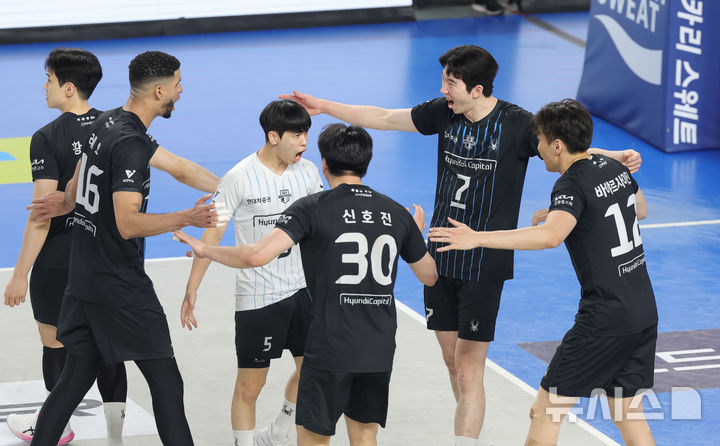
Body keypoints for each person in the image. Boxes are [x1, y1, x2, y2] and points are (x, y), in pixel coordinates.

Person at [279, 44, 642, 446]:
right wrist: (324, 106)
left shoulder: (517, 124)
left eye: (451, 83)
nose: (443, 90)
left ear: (478, 89)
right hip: (441, 256)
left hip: (485, 262)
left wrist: (613, 155)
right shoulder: (444, 113)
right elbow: (383, 118)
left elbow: (567, 147)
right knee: (453, 363)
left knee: (469, 369)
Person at [173, 123, 438, 446]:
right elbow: (429, 276)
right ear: (366, 162)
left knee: (313, 438)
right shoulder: (396, 214)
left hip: (330, 346)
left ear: (324, 164)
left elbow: (255, 255)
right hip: (378, 348)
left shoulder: (312, 208)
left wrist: (205, 250)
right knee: (365, 436)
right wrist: (411, 237)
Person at [4, 48, 216, 446]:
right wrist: (186, 217)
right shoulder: (130, 141)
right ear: (158, 91)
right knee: (167, 385)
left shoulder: (105, 122)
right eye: (177, 84)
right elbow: (127, 223)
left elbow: (78, 183)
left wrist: (234, 188)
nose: (181, 91)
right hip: (119, 285)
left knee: (72, 381)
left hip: (81, 281)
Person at [428, 99, 658, 446]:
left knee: (545, 412)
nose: (537, 148)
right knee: (628, 413)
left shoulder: (571, 183)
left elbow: (550, 237)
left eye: (539, 141)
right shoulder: (614, 168)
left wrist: (477, 238)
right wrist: (566, 213)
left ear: (557, 145)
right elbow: (639, 209)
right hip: (642, 311)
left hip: (604, 317)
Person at [180, 100, 323, 446]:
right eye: (297, 135)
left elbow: (323, 227)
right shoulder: (239, 178)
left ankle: (277, 432)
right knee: (250, 386)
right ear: (273, 137)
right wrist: (192, 288)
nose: (305, 142)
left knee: (313, 370)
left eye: (306, 134)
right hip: (259, 298)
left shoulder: (307, 172)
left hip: (303, 291)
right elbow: (213, 233)